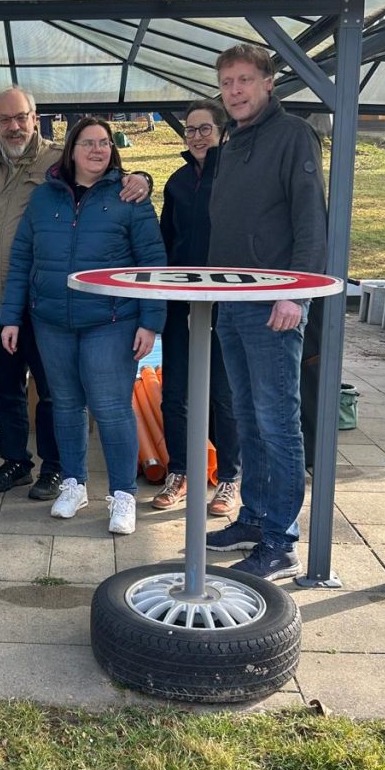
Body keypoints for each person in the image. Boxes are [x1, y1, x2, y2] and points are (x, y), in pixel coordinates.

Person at [0, 88, 150, 501]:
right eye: (4, 119)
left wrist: (142, 178)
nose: (14, 127)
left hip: (46, 301)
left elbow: (106, 176)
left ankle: (55, 469)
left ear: (35, 117)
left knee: (54, 393)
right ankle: (15, 461)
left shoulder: (58, 160)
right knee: (6, 388)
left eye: (21, 117)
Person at [0, 117, 166, 536]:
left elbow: (152, 264)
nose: (97, 150)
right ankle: (73, 484)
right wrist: (11, 317)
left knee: (111, 409)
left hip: (112, 321)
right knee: (66, 405)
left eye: (104, 143)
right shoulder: (43, 198)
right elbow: (22, 259)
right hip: (52, 322)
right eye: (88, 143)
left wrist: (150, 322)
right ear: (70, 150)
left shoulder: (129, 196)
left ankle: (123, 494)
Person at [204, 43, 328, 581]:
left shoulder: (293, 135)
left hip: (273, 304)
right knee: (247, 416)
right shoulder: (233, 141)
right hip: (231, 302)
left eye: (244, 80)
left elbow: (311, 220)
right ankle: (254, 518)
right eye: (227, 82)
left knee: (278, 422)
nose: (235, 90)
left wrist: (295, 293)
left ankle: (281, 541)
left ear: (268, 82)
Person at [152, 99, 241, 517]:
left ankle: (229, 477)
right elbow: (165, 239)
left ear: (223, 131)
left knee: (224, 391)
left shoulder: (239, 176)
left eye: (205, 128)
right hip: (180, 300)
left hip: (226, 300)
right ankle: (180, 472)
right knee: (175, 392)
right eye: (190, 129)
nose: (197, 136)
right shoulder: (178, 181)